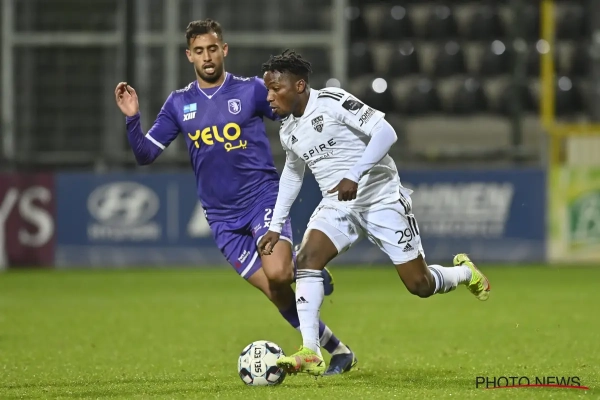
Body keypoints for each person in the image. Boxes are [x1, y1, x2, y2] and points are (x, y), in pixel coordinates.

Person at [114, 20, 357, 375]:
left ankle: (304, 266)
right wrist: (133, 118)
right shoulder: (179, 103)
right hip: (222, 218)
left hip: (262, 199)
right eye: (199, 51)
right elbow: (145, 154)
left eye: (212, 49)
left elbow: (294, 109)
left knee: (278, 273)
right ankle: (339, 351)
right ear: (189, 56)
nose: (207, 57)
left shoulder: (251, 90)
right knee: (276, 291)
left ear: (224, 50)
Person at [258, 50, 491, 377]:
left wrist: (354, 174)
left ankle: (465, 273)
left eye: (275, 89)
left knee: (420, 284)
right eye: (267, 90)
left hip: (380, 196)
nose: (269, 97)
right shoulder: (288, 130)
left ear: (299, 85)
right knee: (307, 259)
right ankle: (311, 349)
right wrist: (275, 225)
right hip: (337, 203)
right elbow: (293, 175)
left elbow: (386, 133)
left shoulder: (332, 101)